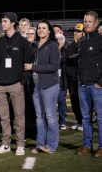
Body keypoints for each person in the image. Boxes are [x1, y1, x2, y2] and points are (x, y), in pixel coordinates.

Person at [0, 12, 32, 156]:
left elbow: (28, 63)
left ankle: (20, 144)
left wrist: (22, 82)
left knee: (19, 116)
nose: (2, 24)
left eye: (5, 21)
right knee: (4, 117)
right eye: (2, 21)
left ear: (13, 23)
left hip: (16, 84)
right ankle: (5, 143)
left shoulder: (22, 41)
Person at [25, 19, 60, 154]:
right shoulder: (34, 45)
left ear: (49, 31)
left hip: (49, 85)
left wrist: (33, 67)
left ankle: (51, 145)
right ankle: (40, 143)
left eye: (44, 28)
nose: (40, 30)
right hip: (36, 85)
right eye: (39, 28)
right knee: (39, 116)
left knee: (50, 116)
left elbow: (53, 66)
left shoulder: (53, 45)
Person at [77, 11, 102, 158]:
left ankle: (101, 147)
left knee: (100, 118)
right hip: (83, 85)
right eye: (85, 21)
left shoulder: (100, 40)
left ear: (96, 22)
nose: (87, 23)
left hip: (97, 86)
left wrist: (100, 82)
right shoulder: (83, 41)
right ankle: (87, 145)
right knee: (85, 117)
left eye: (90, 21)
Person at [65, 23, 84, 131]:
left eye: (79, 31)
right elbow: (67, 59)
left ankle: (84, 123)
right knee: (73, 100)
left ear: (83, 33)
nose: (76, 33)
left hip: (80, 78)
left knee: (81, 101)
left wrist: (70, 58)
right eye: (75, 31)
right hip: (71, 77)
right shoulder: (71, 45)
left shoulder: (84, 44)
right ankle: (79, 121)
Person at [55, 33, 69, 130]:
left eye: (60, 40)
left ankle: (62, 121)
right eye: (57, 41)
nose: (58, 42)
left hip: (62, 81)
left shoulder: (66, 51)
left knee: (61, 101)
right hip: (51, 81)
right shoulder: (50, 50)